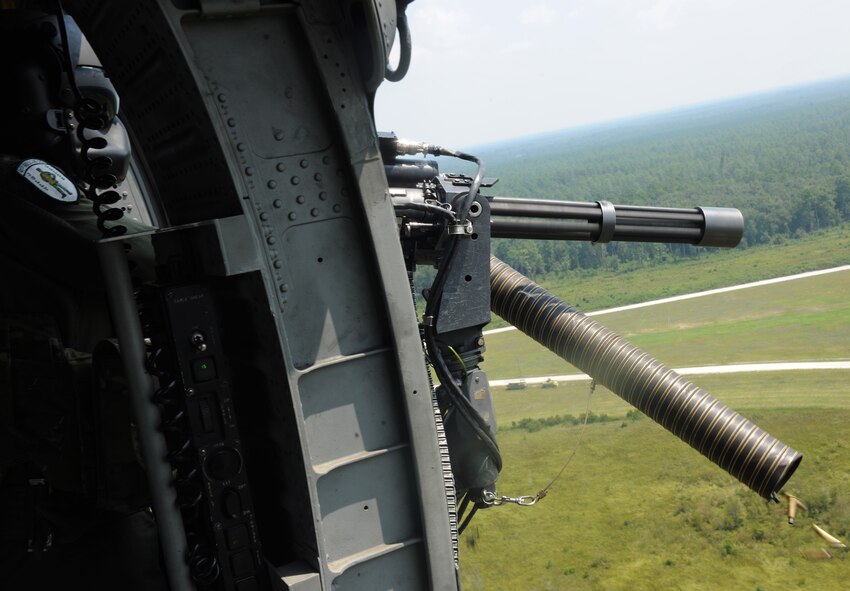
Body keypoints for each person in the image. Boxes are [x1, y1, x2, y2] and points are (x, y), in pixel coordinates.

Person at [0, 7, 164, 588]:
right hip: (49, 521)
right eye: (87, 111)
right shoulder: (16, 180)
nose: (93, 129)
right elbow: (136, 256)